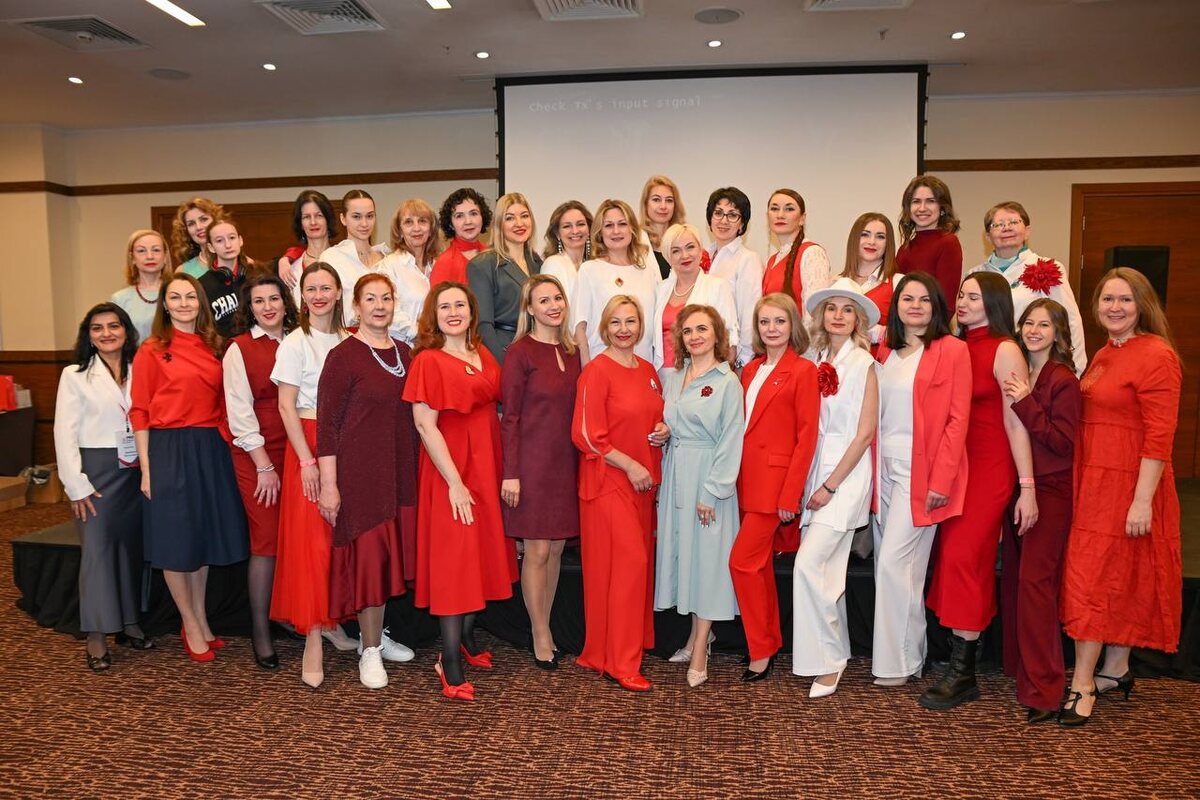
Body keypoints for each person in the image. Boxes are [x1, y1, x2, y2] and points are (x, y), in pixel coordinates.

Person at [1058, 268, 1182, 726]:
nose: (1115, 307)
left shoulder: (1157, 355)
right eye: (1107, 299)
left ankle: (1082, 683)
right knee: (1115, 576)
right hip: (1096, 483)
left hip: (1130, 485)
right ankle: (1115, 668)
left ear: (1142, 305)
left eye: (1125, 299)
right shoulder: (1107, 352)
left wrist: (1142, 500)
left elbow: (1160, 435)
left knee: (1093, 580)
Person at [921, 271, 1038, 710]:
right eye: (961, 295)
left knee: (964, 559)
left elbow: (1016, 421)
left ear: (994, 302)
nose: (963, 302)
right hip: (953, 465)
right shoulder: (953, 345)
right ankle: (962, 650)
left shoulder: (1005, 349)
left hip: (989, 468)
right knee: (952, 559)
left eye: (973, 296)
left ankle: (964, 672)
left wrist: (1027, 486)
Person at [404, 282, 518, 700]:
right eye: (444, 307)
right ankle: (448, 659)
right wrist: (454, 481)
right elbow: (424, 425)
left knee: (479, 555)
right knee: (455, 563)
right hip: (451, 469)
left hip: (486, 465)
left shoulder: (481, 352)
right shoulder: (428, 361)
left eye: (460, 305)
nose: (453, 312)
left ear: (472, 311)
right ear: (433, 316)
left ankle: (468, 642)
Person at [130, 275, 248, 663]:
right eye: (175, 297)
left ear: (201, 303)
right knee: (176, 540)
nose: (183, 303)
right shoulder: (151, 349)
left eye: (190, 297)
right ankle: (190, 622)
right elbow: (140, 410)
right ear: (164, 305)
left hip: (209, 447)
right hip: (168, 447)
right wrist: (147, 468)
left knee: (200, 539)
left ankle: (199, 617)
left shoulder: (214, 345)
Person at [317, 274, 419, 690]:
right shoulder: (342, 357)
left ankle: (375, 636)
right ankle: (370, 649)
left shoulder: (405, 353)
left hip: (400, 471)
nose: (379, 306)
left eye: (386, 298)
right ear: (356, 306)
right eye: (371, 299)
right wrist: (329, 485)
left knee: (391, 559)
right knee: (371, 562)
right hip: (360, 475)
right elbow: (327, 427)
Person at [269, 263, 367, 688]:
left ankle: (332, 622)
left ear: (339, 292)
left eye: (326, 288)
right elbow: (286, 406)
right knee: (311, 544)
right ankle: (312, 636)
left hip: (348, 443)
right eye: (311, 289)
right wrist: (307, 461)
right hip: (307, 445)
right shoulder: (295, 342)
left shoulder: (351, 340)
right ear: (302, 296)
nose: (319, 295)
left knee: (340, 541)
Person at [871, 272, 971, 687]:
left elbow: (957, 420)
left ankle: (897, 663)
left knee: (895, 565)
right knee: (895, 568)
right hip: (883, 471)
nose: (915, 306)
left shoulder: (953, 350)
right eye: (907, 298)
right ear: (896, 306)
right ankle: (911, 656)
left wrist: (941, 480)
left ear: (937, 307)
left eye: (924, 299)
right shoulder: (886, 351)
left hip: (922, 473)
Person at [572, 295, 668, 692]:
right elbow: (585, 435)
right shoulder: (596, 371)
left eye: (630, 321)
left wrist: (663, 429)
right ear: (604, 328)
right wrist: (630, 465)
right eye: (616, 322)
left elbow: (653, 414)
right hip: (609, 481)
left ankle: (602, 651)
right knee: (628, 566)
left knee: (623, 572)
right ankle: (621, 664)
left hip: (643, 484)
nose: (624, 329)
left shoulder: (647, 370)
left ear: (640, 326)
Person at [791, 278, 879, 698]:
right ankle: (837, 649)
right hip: (815, 473)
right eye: (832, 308)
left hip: (845, 477)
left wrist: (830, 485)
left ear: (857, 319)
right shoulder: (814, 359)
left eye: (847, 309)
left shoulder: (865, 364)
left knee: (808, 566)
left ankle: (828, 662)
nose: (839, 315)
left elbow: (864, 434)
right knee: (827, 573)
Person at [999, 299, 1081, 723]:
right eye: (1028, 322)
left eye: (1044, 324)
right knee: (1017, 581)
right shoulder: (1019, 372)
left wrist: (1027, 402)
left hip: (1049, 492)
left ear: (1058, 332)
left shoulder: (1063, 380)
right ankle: (1023, 674)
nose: (1033, 330)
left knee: (1036, 586)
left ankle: (1046, 690)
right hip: (1018, 486)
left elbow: (1062, 444)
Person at [55, 303, 150, 671]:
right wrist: (75, 485)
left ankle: (129, 623)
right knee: (97, 552)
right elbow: (63, 432)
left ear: (126, 330)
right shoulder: (74, 375)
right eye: (98, 328)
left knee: (131, 549)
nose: (107, 333)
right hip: (95, 472)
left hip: (136, 468)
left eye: (114, 326)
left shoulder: (140, 367)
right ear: (89, 336)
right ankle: (96, 635)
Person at [729, 293, 819, 682]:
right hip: (745, 481)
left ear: (793, 325)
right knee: (759, 566)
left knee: (742, 563)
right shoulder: (750, 370)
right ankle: (766, 641)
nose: (772, 329)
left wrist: (790, 494)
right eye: (764, 322)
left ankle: (761, 650)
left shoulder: (803, 370)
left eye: (780, 321)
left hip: (774, 485)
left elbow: (806, 437)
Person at [654, 304, 743, 688]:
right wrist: (663, 431)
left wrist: (714, 490)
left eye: (702, 329)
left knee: (707, 561)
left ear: (717, 334)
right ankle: (694, 638)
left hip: (709, 480)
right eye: (688, 330)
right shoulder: (674, 377)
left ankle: (703, 648)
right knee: (688, 558)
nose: (695, 337)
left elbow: (731, 438)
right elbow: (672, 422)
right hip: (678, 473)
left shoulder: (727, 382)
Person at [499, 274, 581, 669]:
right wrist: (510, 472)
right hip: (530, 464)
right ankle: (539, 632)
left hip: (566, 463)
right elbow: (510, 417)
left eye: (557, 298)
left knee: (558, 549)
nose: (553, 305)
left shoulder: (573, 350)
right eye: (543, 300)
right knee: (538, 550)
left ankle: (545, 623)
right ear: (529, 308)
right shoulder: (520, 353)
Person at [222, 273, 298, 670]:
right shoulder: (239, 349)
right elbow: (238, 411)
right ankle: (260, 630)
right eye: (258, 301)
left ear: (286, 303)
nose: (268, 307)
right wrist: (264, 465)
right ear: (249, 308)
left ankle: (294, 616)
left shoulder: (300, 340)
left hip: (300, 449)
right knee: (266, 541)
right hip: (258, 453)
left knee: (297, 537)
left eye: (274, 299)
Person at [968, 201, 1087, 374]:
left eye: (1013, 222)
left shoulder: (1048, 268)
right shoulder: (974, 275)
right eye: (998, 224)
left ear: (1027, 230)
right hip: (986, 362)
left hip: (1035, 366)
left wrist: (1075, 369)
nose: (1006, 228)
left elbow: (1070, 321)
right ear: (987, 236)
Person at [573, 198, 661, 364]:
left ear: (632, 229)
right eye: (608, 225)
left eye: (622, 224)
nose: (616, 231)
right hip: (603, 365)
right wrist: (587, 368)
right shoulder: (589, 270)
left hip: (643, 364)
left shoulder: (647, 272)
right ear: (600, 232)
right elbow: (579, 326)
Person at [650, 223, 738, 378]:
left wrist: (713, 379)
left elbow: (730, 341)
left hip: (703, 374)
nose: (685, 255)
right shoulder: (661, 289)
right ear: (668, 256)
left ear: (700, 250)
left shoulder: (717, 286)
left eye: (690, 247)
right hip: (663, 374)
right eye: (676, 250)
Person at [468, 192, 544, 364]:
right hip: (505, 351)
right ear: (499, 224)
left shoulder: (537, 262)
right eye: (510, 218)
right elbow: (483, 326)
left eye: (524, 216)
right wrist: (504, 363)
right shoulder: (483, 264)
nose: (519, 223)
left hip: (537, 351)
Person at [705, 187, 763, 368]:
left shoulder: (748, 259)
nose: (724, 220)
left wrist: (742, 361)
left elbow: (750, 313)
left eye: (732, 215)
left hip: (730, 357)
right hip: (701, 351)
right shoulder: (702, 256)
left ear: (742, 224)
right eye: (718, 213)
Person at [317, 190, 390, 327]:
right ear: (343, 219)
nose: (364, 223)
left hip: (388, 334)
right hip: (347, 334)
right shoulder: (331, 258)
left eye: (369, 216)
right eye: (356, 217)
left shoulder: (387, 259)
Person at [761, 188, 831, 321]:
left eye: (789, 209)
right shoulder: (772, 260)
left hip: (800, 335)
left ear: (802, 219)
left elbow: (815, 314)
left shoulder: (812, 253)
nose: (780, 215)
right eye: (774, 209)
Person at [377, 198, 440, 346]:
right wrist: (419, 334)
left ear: (431, 229)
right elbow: (386, 310)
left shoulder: (439, 265)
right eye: (408, 222)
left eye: (422, 221)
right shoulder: (388, 266)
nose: (416, 228)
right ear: (399, 230)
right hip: (402, 348)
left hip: (437, 347)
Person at [895, 176, 963, 306]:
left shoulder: (948, 243)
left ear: (942, 208)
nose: (922, 208)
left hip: (933, 319)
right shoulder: (905, 248)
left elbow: (946, 302)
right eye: (916, 201)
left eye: (930, 201)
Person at [841, 212, 900, 351]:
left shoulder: (899, 283)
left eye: (880, 237)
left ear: (888, 243)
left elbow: (908, 334)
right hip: (838, 363)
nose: (872, 242)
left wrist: (872, 332)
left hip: (880, 362)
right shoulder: (836, 283)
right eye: (865, 234)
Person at [112, 229, 173, 342]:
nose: (150, 256)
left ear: (165, 256)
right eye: (141, 251)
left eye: (156, 250)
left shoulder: (178, 293)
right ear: (132, 258)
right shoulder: (119, 299)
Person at [199, 218, 255, 339]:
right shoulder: (201, 285)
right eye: (219, 240)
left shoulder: (256, 276)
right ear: (211, 247)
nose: (228, 245)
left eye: (232, 238)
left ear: (240, 240)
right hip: (223, 347)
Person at [276, 189, 337, 292]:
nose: (313, 222)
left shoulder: (343, 258)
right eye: (306, 217)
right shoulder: (290, 268)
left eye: (319, 216)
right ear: (300, 224)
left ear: (328, 220)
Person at [430, 188, 491, 285]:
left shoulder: (492, 254)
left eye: (473, 213)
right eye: (459, 216)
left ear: (482, 217)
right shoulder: (445, 263)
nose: (468, 221)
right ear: (450, 224)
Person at [539, 200, 593, 304]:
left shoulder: (595, 264)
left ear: (589, 229)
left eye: (580, 224)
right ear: (557, 233)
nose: (575, 231)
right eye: (567, 226)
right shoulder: (553, 264)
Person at [639, 175, 687, 279]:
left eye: (669, 200)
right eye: (656, 200)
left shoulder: (685, 239)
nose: (663, 206)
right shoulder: (635, 242)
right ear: (645, 204)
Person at [170, 197, 224, 278]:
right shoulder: (183, 271)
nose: (198, 227)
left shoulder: (240, 263)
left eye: (204, 219)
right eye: (191, 224)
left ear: (216, 221)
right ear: (186, 231)